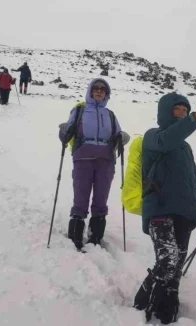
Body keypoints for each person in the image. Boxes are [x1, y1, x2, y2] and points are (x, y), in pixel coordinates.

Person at [131, 93, 196, 324]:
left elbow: (194, 188)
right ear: (165, 111)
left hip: (185, 215)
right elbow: (167, 140)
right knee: (167, 262)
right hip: (160, 211)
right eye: (177, 109)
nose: (182, 112)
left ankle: (167, 311)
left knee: (175, 274)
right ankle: (140, 304)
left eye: (185, 109)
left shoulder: (186, 149)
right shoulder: (153, 137)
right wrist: (195, 118)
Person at [58, 78, 130, 251]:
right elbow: (69, 129)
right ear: (91, 91)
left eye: (103, 89)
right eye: (96, 88)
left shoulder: (110, 115)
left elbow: (117, 133)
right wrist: (64, 131)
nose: (99, 91)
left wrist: (122, 137)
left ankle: (95, 237)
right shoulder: (80, 110)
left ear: (106, 94)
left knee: (101, 198)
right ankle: (76, 235)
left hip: (106, 159)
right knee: (81, 195)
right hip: (83, 157)